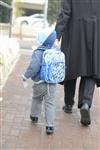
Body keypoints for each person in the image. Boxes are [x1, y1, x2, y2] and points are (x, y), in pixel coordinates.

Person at [55, 0, 100, 126]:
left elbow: (65, 13)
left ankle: (69, 104)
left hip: (74, 32)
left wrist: (57, 34)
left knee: (71, 68)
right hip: (95, 32)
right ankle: (85, 103)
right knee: (91, 70)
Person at [22, 28, 57, 134]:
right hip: (51, 84)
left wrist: (25, 76)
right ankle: (49, 126)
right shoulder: (56, 51)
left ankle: (34, 116)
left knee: (36, 99)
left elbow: (34, 67)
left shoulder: (38, 52)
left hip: (39, 83)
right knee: (50, 104)